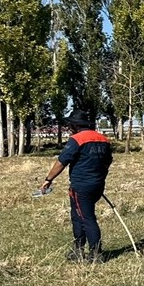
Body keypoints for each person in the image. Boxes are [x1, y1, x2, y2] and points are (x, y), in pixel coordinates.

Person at [38, 110, 113, 263]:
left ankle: (96, 253)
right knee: (77, 216)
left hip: (81, 186)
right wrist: (99, 175)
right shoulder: (103, 139)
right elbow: (108, 161)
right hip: (98, 184)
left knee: (86, 218)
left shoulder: (77, 139)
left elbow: (62, 162)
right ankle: (78, 249)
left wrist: (48, 179)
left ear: (75, 125)